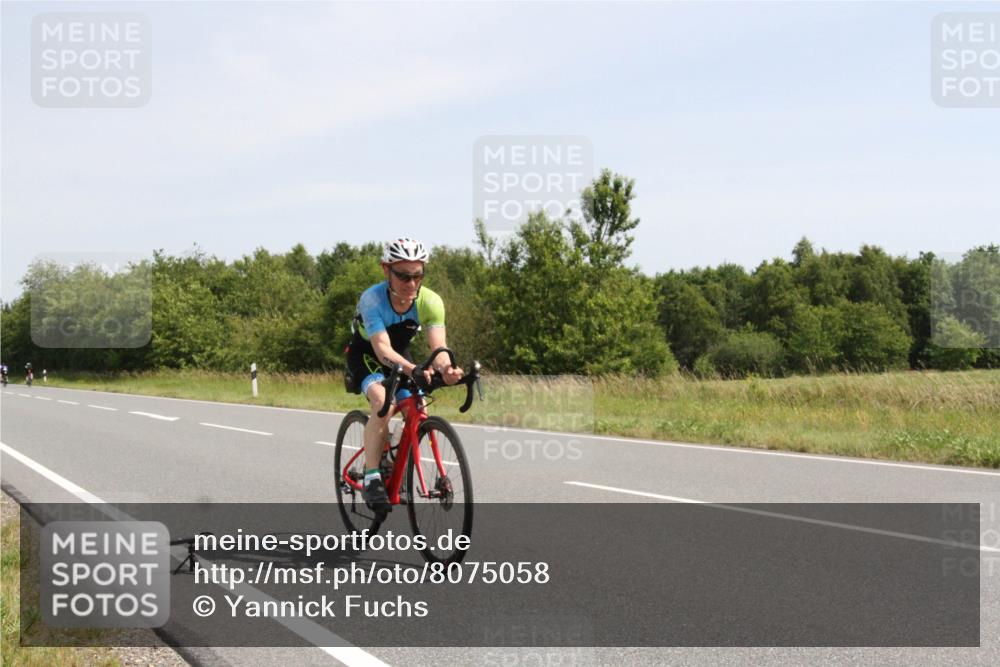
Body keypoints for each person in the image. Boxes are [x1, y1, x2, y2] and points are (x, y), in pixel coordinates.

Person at [345, 238, 464, 513]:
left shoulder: (431, 301)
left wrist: (447, 369)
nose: (411, 284)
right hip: (367, 354)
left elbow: (439, 349)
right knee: (383, 402)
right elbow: (382, 348)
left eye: (417, 275)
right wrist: (415, 370)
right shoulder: (372, 298)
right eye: (403, 276)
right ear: (386, 270)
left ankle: (393, 462)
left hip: (401, 354)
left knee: (417, 407)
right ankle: (373, 475)